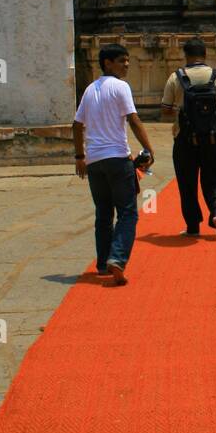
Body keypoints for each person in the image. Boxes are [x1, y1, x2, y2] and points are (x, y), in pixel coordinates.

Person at [73, 44, 154, 285]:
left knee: (104, 214)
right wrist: (149, 148)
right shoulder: (121, 87)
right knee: (128, 213)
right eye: (121, 61)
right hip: (118, 159)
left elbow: (77, 125)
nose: (126, 65)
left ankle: (102, 264)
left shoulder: (89, 90)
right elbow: (133, 119)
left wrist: (80, 157)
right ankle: (117, 258)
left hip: (95, 161)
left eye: (128, 61)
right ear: (107, 63)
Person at [161, 37, 216, 238]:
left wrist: (182, 109)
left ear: (186, 56)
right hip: (213, 138)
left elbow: (165, 110)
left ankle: (193, 226)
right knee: (215, 178)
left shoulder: (176, 78)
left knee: (187, 183)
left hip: (184, 140)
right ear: (205, 54)